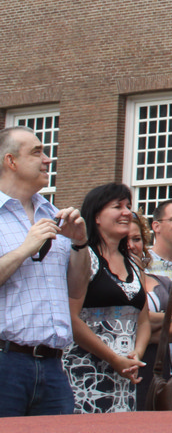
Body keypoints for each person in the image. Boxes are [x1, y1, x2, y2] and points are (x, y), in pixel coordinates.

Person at [0, 126, 89, 417]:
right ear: (11, 161)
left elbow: (77, 290)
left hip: (52, 366)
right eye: (37, 152)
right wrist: (25, 248)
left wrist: (79, 243)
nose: (48, 159)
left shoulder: (54, 214)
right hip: (5, 362)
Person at [63, 183, 150, 413]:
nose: (127, 212)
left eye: (128, 206)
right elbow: (71, 318)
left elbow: (143, 321)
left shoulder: (134, 263)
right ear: (96, 216)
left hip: (125, 376)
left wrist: (136, 354)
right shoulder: (84, 258)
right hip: (85, 374)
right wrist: (113, 358)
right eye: (117, 206)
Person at [129, 212, 172, 410]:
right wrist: (166, 318)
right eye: (124, 240)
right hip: (123, 364)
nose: (131, 245)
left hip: (156, 367)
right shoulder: (104, 285)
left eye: (136, 239)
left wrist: (140, 328)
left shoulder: (163, 283)